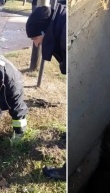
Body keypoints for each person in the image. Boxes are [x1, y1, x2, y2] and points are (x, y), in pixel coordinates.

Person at [26, 1, 67, 180]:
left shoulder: (65, 34)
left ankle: (66, 171)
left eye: (35, 39)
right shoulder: (60, 23)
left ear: (44, 32)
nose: (36, 45)